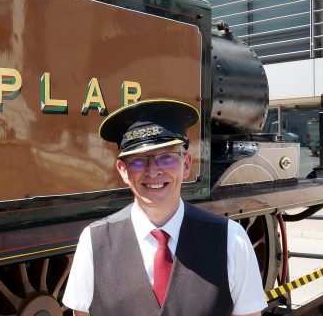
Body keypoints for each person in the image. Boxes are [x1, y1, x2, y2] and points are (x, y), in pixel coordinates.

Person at [62, 99, 267, 316]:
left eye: (166, 159)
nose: (153, 172)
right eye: (139, 161)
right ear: (123, 170)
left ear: (186, 164)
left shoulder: (232, 240)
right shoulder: (94, 242)